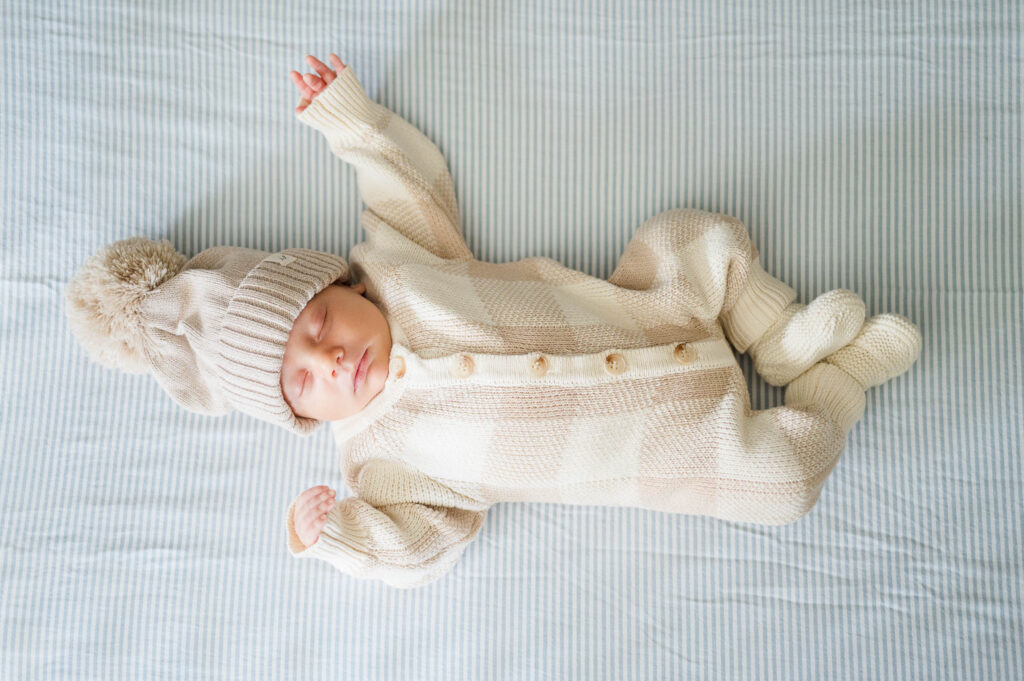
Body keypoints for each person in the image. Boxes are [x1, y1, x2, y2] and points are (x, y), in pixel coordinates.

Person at [64, 54, 922, 589]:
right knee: (781, 486)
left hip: (649, 305)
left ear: (347, 284)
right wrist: (336, 537)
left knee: (696, 236)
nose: (330, 356)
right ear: (300, 414)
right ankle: (835, 382)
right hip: (669, 445)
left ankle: (780, 332)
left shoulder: (401, 270)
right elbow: (419, 547)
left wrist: (351, 124)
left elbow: (410, 183)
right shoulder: (380, 460)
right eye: (303, 376)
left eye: (321, 316)